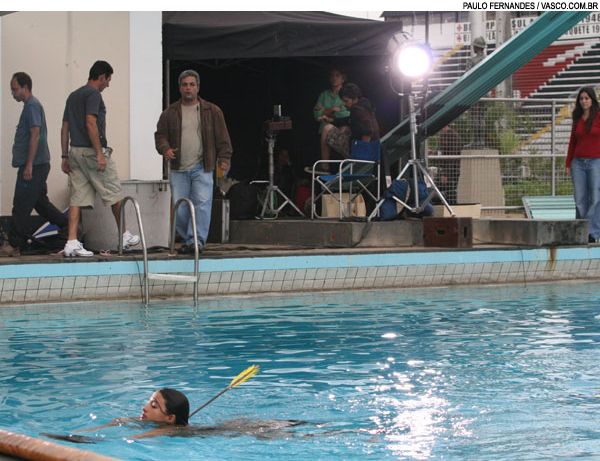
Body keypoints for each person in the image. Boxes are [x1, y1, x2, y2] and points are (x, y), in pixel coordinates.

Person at [61, 60, 140, 257]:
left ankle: (71, 241)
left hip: (75, 152)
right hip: (91, 152)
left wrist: (64, 156)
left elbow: (64, 127)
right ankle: (124, 235)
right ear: (102, 77)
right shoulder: (93, 94)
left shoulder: (73, 96)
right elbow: (90, 122)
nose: (108, 84)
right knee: (114, 191)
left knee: (77, 197)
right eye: (108, 80)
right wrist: (99, 153)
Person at [155, 69, 233, 255]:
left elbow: (223, 137)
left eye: (191, 84)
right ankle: (188, 239)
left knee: (202, 204)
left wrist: (224, 158)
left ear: (198, 87)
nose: (188, 88)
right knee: (181, 208)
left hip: (202, 166)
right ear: (180, 88)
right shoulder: (170, 113)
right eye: (185, 85)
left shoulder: (212, 111)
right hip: (178, 167)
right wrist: (165, 149)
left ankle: (195, 241)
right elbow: (160, 135)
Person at [1, 72, 68, 256]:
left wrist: (29, 164)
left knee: (21, 203)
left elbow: (35, 133)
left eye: (15, 89)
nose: (13, 93)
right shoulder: (30, 106)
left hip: (34, 166)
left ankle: (14, 245)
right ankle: (68, 227)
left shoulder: (32, 106)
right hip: (38, 164)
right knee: (40, 203)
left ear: (25, 87)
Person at [312, 82, 379, 173]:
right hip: (372, 149)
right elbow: (349, 120)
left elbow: (368, 130)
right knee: (344, 128)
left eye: (346, 101)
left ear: (354, 98)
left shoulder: (357, 110)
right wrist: (331, 120)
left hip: (361, 152)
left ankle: (324, 166)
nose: (344, 104)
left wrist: (361, 158)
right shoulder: (364, 103)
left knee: (327, 129)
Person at [566, 86, 600, 243]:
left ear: (592, 100)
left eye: (586, 98)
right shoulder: (577, 118)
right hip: (578, 163)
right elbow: (572, 142)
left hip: (596, 162)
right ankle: (580, 232)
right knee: (579, 198)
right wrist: (568, 163)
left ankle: (592, 232)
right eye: (581, 98)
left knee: (595, 197)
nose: (584, 101)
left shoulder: (598, 116)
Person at [313, 68, 350, 135]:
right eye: (332, 75)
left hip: (342, 133)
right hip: (324, 133)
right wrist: (332, 109)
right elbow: (317, 116)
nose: (334, 78)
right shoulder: (323, 94)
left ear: (343, 79)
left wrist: (325, 111)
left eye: (337, 75)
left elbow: (348, 115)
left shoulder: (347, 94)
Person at [466, 36, 487, 148]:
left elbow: (467, 76)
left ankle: (476, 141)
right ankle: (481, 141)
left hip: (474, 92)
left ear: (476, 47)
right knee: (481, 117)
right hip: (484, 92)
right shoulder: (488, 60)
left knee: (474, 116)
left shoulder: (472, 61)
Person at [436, 125, 461, 204]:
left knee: (450, 191)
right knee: (443, 191)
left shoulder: (452, 136)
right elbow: (443, 152)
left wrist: (445, 174)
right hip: (445, 169)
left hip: (451, 170)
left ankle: (451, 206)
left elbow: (451, 157)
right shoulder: (443, 135)